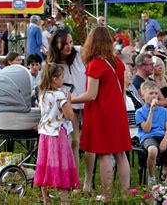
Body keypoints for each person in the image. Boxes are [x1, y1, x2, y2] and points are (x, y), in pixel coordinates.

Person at [71, 26, 131, 201]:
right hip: (118, 112)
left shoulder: (95, 64)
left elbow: (91, 95)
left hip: (102, 113)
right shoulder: (117, 62)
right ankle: (127, 194)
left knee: (104, 153)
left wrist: (70, 100)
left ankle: (107, 195)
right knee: (120, 153)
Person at [34, 63, 80, 202]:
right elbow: (70, 116)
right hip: (57, 134)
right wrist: (69, 102)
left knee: (46, 165)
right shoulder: (60, 95)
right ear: (55, 79)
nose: (63, 79)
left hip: (45, 134)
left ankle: (46, 200)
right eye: (62, 77)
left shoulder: (43, 93)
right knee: (61, 165)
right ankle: (64, 200)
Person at [47, 27, 86, 190]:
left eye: (70, 42)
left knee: (87, 143)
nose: (69, 46)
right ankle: (74, 181)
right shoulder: (53, 64)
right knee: (74, 142)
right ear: (56, 45)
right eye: (64, 44)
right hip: (69, 106)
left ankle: (85, 182)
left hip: (87, 100)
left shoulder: (79, 52)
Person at [136, 81, 167, 186]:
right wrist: (151, 112)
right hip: (148, 136)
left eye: (156, 93)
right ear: (143, 96)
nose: (154, 96)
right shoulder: (139, 112)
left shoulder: (163, 111)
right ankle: (151, 178)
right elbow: (146, 129)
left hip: (162, 136)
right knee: (152, 150)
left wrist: (165, 141)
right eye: (151, 93)